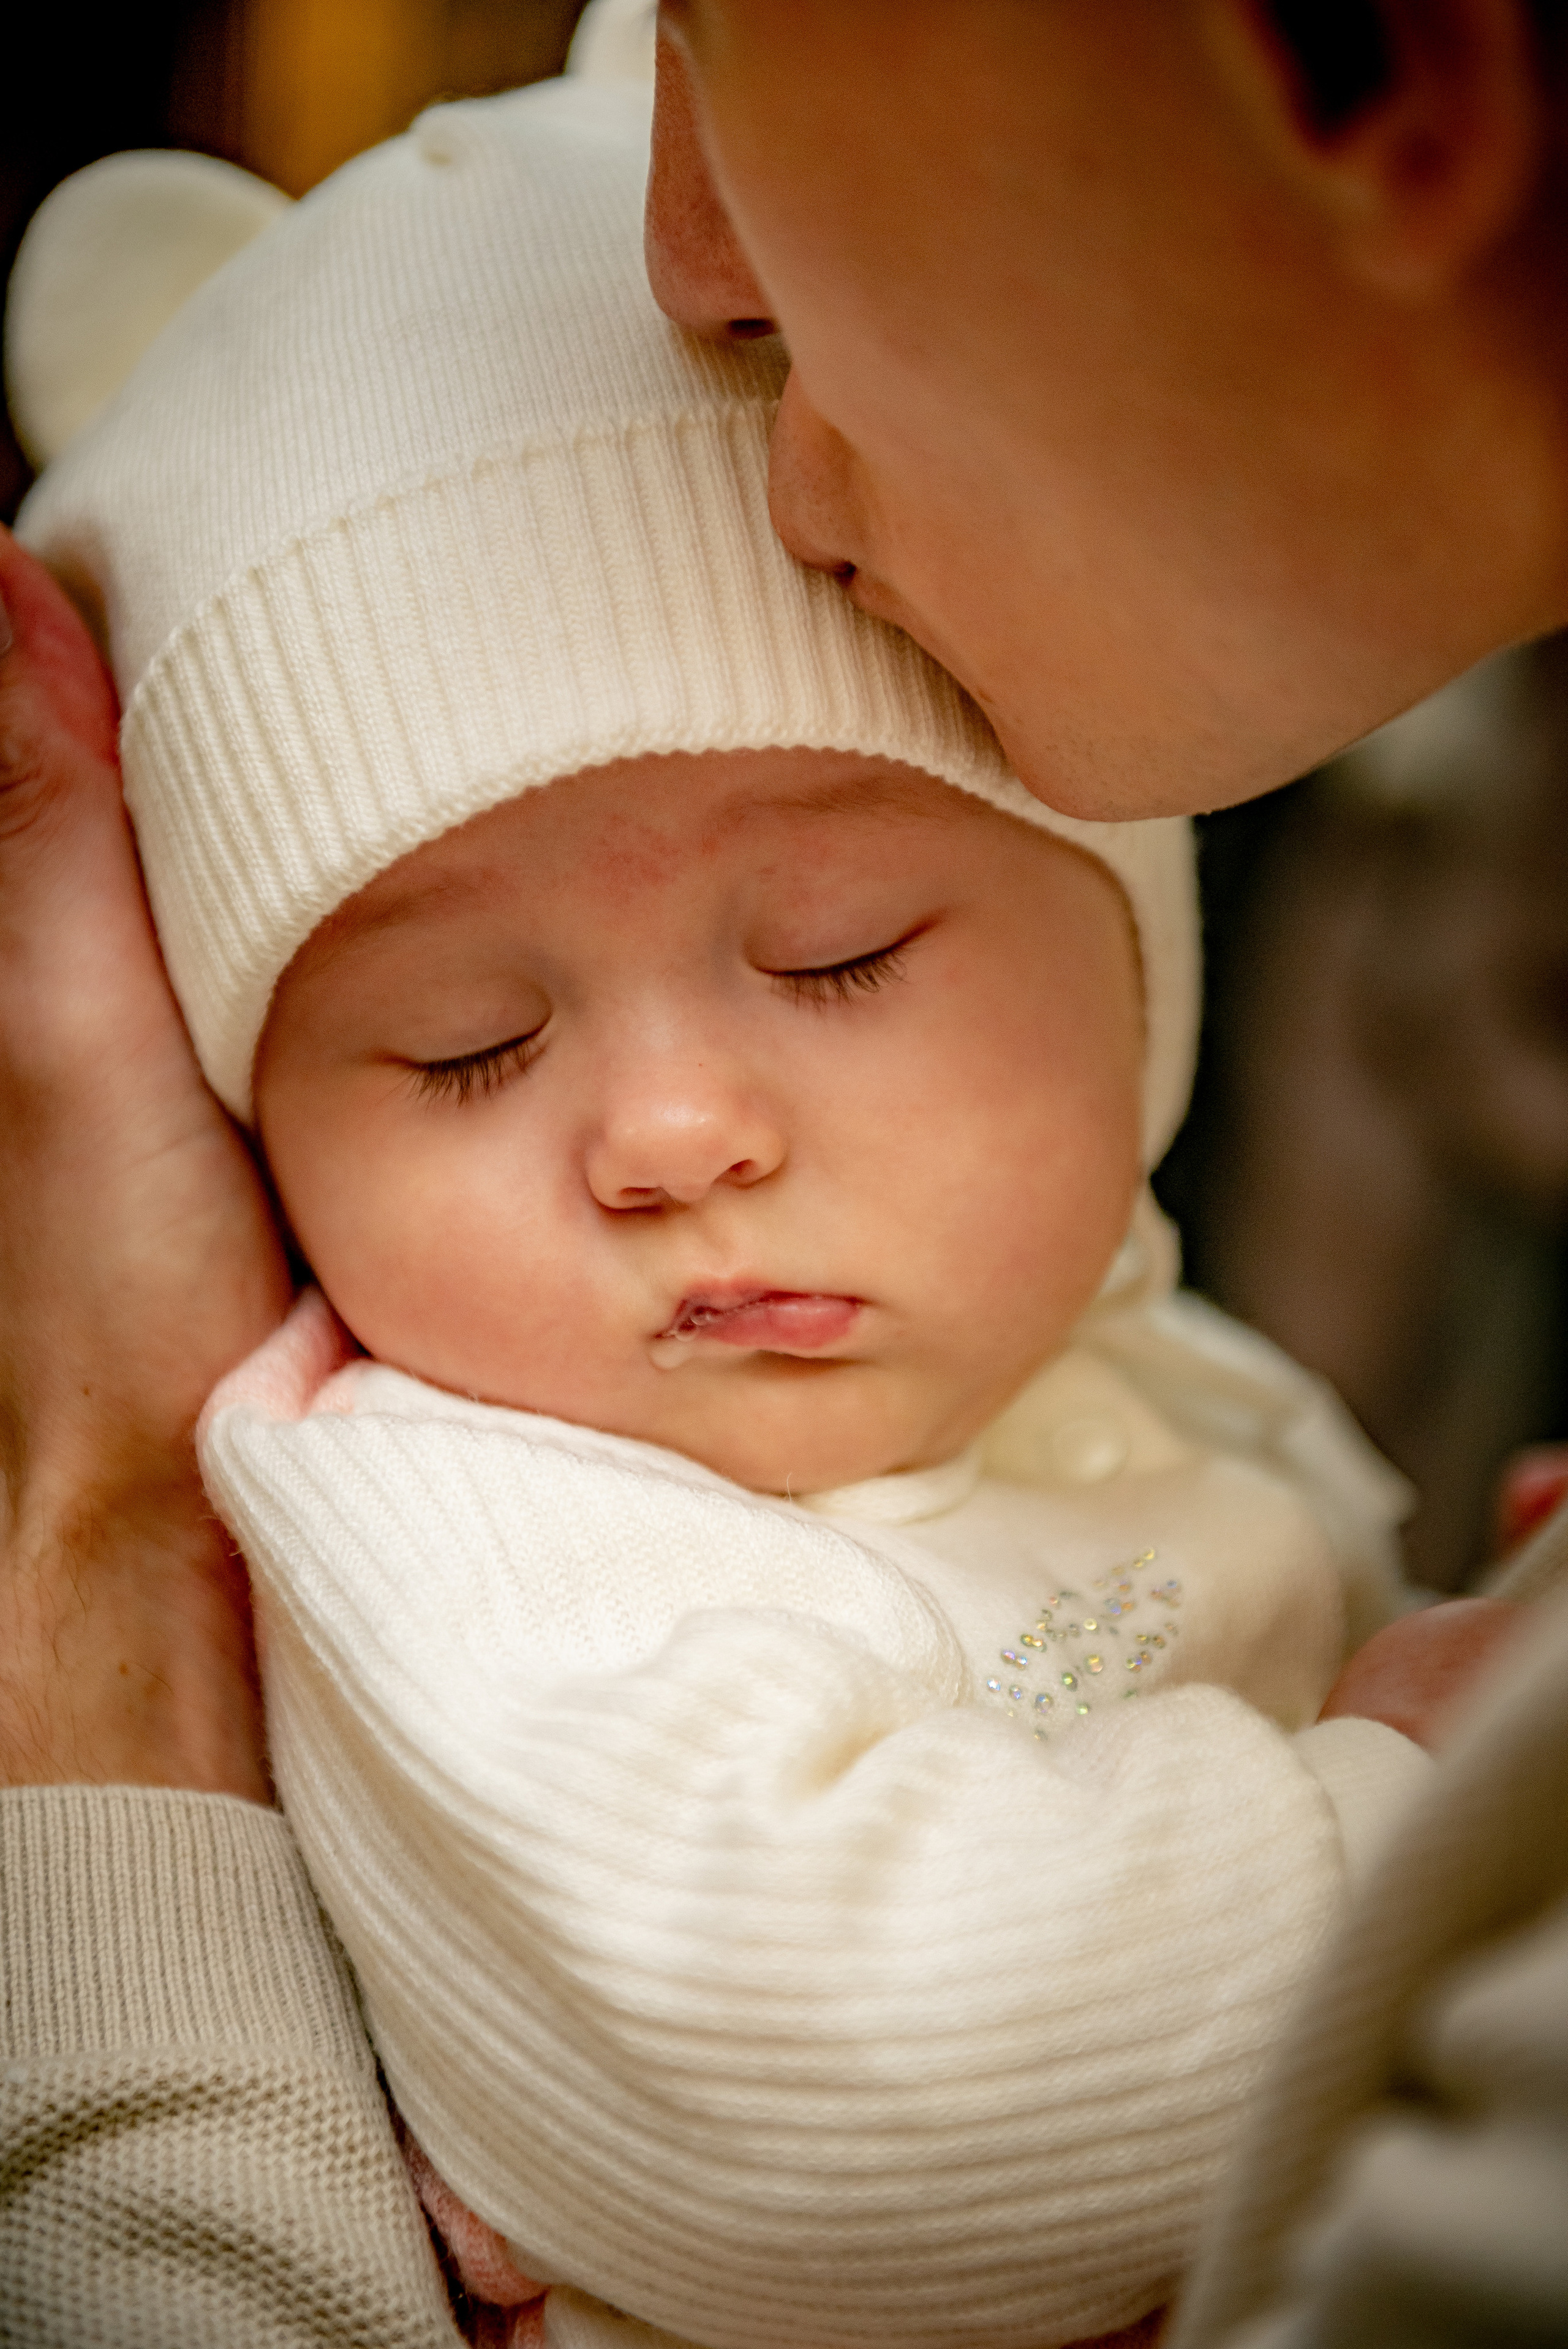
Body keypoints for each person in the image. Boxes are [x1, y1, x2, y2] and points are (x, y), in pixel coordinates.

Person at [0, 2, 1556, 2344]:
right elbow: (825, 2092)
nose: (669, 1136)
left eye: (840, 953)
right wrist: (1422, 1797)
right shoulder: (476, 1527)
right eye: (465, 1042)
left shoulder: (1128, 1380)